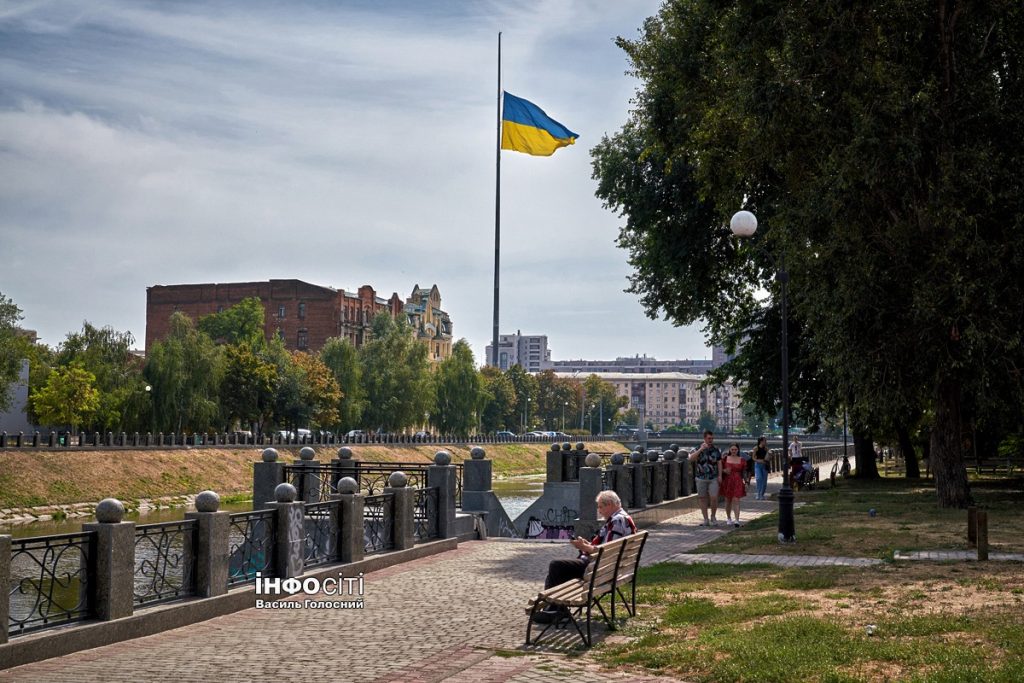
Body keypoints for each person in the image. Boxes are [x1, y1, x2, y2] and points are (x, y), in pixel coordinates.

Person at [533, 490, 636, 623]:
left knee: (556, 566)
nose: (599, 511)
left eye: (600, 507)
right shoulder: (622, 518)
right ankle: (553, 609)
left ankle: (555, 611)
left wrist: (584, 548)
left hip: (600, 570)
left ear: (610, 504)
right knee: (558, 569)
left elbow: (606, 552)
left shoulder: (617, 521)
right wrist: (588, 545)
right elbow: (608, 547)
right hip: (610, 568)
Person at [688, 429, 723, 526]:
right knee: (702, 498)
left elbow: (719, 463)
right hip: (701, 477)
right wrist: (700, 450)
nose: (710, 440)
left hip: (713, 477)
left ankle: (713, 516)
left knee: (714, 497)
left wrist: (720, 475)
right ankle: (705, 519)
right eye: (709, 438)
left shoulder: (716, 450)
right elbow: (691, 459)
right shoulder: (698, 448)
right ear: (704, 439)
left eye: (712, 438)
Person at [720, 443, 748, 526]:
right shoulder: (725, 459)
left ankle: (737, 520)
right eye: (732, 449)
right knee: (728, 500)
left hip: (738, 481)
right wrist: (724, 471)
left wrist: (746, 482)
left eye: (735, 449)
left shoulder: (742, 460)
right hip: (727, 481)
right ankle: (729, 518)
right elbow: (719, 469)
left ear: (738, 450)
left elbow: (744, 472)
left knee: (736, 499)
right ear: (729, 450)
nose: (734, 451)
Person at [752, 436, 770, 500]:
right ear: (761, 441)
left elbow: (768, 457)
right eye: (764, 441)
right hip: (758, 465)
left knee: (764, 481)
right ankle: (758, 494)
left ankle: (762, 494)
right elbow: (753, 457)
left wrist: (769, 455)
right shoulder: (756, 448)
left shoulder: (766, 449)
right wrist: (758, 460)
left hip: (765, 465)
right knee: (759, 478)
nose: (765, 442)